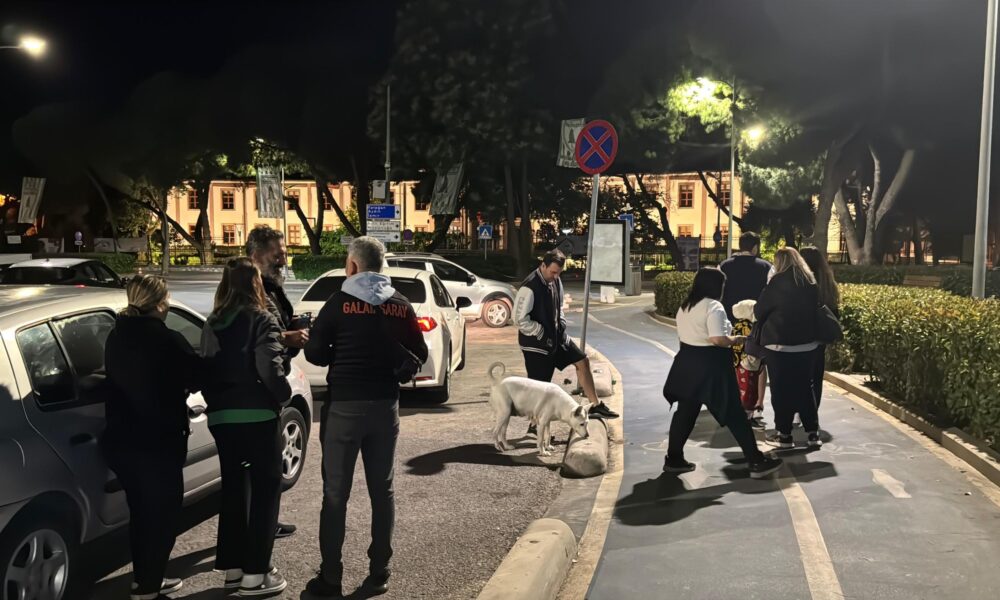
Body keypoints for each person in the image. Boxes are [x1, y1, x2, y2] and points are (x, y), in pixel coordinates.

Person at [303, 236, 428, 599]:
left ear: (353, 265)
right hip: (385, 407)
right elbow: (419, 352)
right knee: (382, 490)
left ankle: (331, 578)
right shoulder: (400, 304)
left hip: (344, 407)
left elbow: (315, 353)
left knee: (335, 494)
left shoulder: (337, 303)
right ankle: (379, 571)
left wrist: (335, 349)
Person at [104, 275, 202, 600]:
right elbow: (196, 376)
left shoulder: (115, 336)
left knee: (141, 514)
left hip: (122, 441)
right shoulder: (168, 339)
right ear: (161, 304)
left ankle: (146, 578)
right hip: (159, 442)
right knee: (164, 515)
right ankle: (148, 587)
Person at [201, 258, 291, 596]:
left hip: (222, 418)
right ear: (255, 283)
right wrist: (282, 396)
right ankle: (256, 573)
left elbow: (206, 367)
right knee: (266, 491)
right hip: (257, 415)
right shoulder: (262, 318)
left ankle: (233, 569)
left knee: (234, 491)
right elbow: (269, 366)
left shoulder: (213, 321)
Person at [662, 267, 782, 478]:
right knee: (734, 412)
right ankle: (755, 460)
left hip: (686, 362)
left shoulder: (686, 306)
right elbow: (717, 339)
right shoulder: (713, 306)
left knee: (686, 412)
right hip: (711, 364)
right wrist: (735, 339)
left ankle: (674, 458)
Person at [246, 225, 306, 539]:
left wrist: (293, 327)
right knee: (264, 470)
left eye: (284, 253)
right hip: (258, 390)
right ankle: (259, 534)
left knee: (266, 469)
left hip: (267, 387)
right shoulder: (248, 287)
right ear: (256, 254)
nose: (283, 260)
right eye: (277, 254)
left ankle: (264, 523)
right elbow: (254, 335)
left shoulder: (271, 286)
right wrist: (287, 337)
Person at [513, 249, 619, 427]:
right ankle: (534, 426)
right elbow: (518, 319)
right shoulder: (529, 287)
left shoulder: (556, 280)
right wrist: (539, 331)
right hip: (535, 344)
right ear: (543, 265)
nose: (555, 276)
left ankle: (595, 406)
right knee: (541, 386)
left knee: (582, 361)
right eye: (553, 272)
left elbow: (559, 304)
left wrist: (560, 321)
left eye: (559, 273)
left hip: (557, 336)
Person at [755, 248, 821, 449]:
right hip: (808, 344)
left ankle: (784, 435)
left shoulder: (777, 282)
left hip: (779, 345)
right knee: (805, 387)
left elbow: (760, 310)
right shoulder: (810, 282)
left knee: (781, 389)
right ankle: (812, 433)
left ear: (780, 262)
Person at [719, 231, 773, 426]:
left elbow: (719, 293)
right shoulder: (766, 267)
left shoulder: (724, 266)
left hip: (731, 323)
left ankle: (734, 401)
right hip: (757, 325)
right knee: (759, 364)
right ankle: (757, 405)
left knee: (732, 364)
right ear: (755, 247)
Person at [800, 246, 840, 412]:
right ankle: (813, 410)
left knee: (800, 374)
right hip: (821, 334)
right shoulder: (827, 281)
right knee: (816, 375)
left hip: (802, 334)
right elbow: (834, 310)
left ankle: (800, 409)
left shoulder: (802, 281)